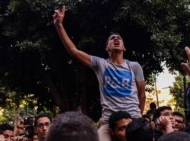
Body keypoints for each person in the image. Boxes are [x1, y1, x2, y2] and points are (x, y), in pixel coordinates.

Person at [53, 5, 146, 141]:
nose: (116, 39)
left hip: (133, 118)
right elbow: (74, 51)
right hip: (108, 122)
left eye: (119, 38)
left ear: (124, 47)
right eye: (112, 38)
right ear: (106, 47)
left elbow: (142, 95)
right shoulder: (100, 64)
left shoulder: (134, 66)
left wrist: (139, 117)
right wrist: (59, 25)